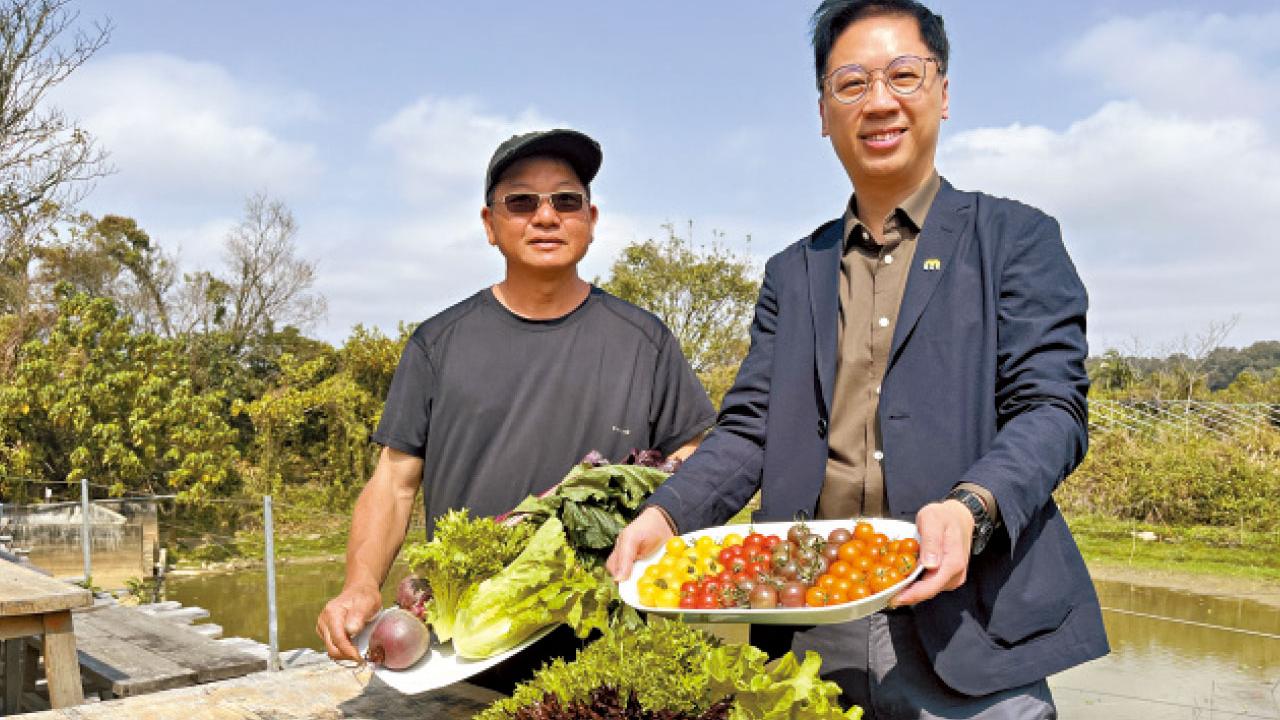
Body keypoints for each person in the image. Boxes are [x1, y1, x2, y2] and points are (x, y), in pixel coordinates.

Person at [608, 2, 1108, 717]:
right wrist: (666, 515)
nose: (879, 101)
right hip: (809, 618)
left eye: (904, 74)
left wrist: (973, 507)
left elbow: (1050, 408)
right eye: (851, 83)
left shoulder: (1014, 239)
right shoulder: (794, 271)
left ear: (943, 91)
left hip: (970, 624)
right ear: (822, 111)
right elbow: (750, 429)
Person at [317, 128, 717, 683]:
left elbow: (695, 456)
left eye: (566, 200)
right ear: (489, 225)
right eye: (522, 201)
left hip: (608, 648)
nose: (546, 216)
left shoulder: (644, 341)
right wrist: (361, 584)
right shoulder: (439, 343)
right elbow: (394, 482)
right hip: (463, 658)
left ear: (591, 220)